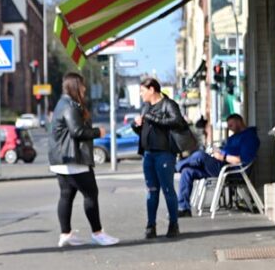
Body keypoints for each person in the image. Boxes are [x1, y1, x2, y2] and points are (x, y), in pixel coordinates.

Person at [49, 73, 119, 247]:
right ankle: (98, 233)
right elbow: (77, 131)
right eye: (82, 85)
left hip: (61, 160)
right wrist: (98, 132)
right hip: (74, 160)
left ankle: (65, 234)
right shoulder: (69, 106)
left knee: (66, 195)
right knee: (91, 194)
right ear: (74, 86)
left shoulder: (61, 103)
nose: (85, 89)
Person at [133, 78, 187, 239]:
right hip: (148, 154)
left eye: (142, 91)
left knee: (168, 189)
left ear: (151, 89)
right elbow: (144, 130)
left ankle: (173, 224)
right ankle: (151, 226)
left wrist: (153, 119)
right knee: (151, 191)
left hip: (164, 154)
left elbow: (177, 121)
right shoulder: (146, 107)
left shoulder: (168, 104)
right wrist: (136, 126)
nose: (141, 94)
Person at [176, 113, 260, 217]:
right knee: (187, 171)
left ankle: (176, 167)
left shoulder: (249, 137)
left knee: (200, 155)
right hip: (220, 167)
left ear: (239, 122)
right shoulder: (233, 137)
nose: (230, 128)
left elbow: (242, 160)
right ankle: (184, 208)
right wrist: (218, 151)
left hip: (231, 170)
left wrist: (223, 157)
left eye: (231, 125)